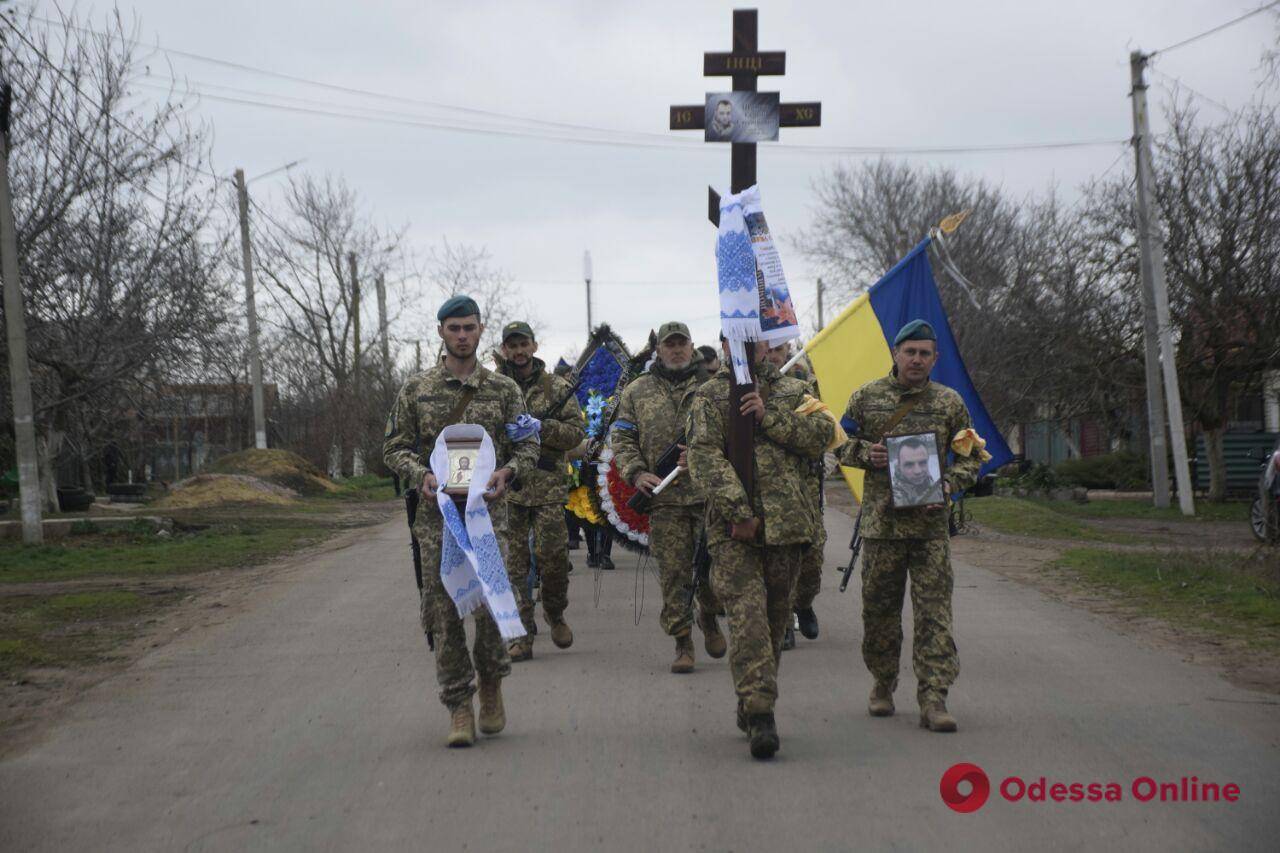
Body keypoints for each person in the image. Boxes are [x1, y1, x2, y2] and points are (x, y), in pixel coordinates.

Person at [383, 295, 540, 748]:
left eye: (470, 328)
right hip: (438, 524)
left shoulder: (504, 390)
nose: (462, 335)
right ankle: (457, 705)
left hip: (490, 520)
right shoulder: (417, 389)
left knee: (490, 607)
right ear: (441, 332)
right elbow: (393, 447)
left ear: (480, 330)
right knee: (446, 611)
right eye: (454, 328)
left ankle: (491, 686)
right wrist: (422, 475)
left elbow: (528, 444)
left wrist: (509, 471)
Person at [688, 336, 834, 759]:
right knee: (747, 617)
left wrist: (769, 418)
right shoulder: (711, 396)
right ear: (724, 344)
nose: (746, 348)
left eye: (753, 341)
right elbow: (703, 458)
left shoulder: (795, 390)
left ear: (766, 346)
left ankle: (750, 700)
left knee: (772, 623)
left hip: (788, 528)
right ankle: (761, 712)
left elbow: (823, 436)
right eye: (735, 340)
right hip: (735, 532)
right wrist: (738, 511)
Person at [836, 319, 983, 733]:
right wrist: (867, 453)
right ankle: (883, 682)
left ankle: (934, 697)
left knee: (934, 614)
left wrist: (950, 483)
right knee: (880, 612)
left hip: (930, 530)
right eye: (910, 352)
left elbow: (973, 456)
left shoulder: (950, 403)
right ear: (895, 355)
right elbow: (836, 443)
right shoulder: (866, 398)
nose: (916, 360)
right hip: (882, 527)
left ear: (935, 358)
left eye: (924, 353)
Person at [611, 321, 726, 672]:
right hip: (663, 499)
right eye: (669, 344)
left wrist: (704, 459)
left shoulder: (713, 388)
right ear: (658, 350)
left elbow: (732, 436)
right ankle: (682, 642)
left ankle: (708, 614)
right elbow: (623, 438)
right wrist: (635, 471)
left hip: (709, 495)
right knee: (674, 573)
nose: (676, 350)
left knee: (712, 572)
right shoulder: (637, 391)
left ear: (692, 347)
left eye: (682, 343)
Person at [496, 321, 585, 662]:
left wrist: (540, 427)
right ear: (505, 349)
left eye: (523, 344)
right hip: (507, 489)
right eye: (512, 346)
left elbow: (576, 434)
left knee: (553, 560)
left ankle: (555, 612)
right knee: (515, 565)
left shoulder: (556, 387)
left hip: (548, 488)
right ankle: (522, 634)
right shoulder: (496, 389)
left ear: (534, 346)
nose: (518, 351)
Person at [765, 342, 827, 646]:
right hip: (772, 487)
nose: (774, 356)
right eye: (769, 349)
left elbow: (820, 432)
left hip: (806, 483)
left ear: (788, 349)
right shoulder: (751, 388)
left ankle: (803, 603)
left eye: (779, 349)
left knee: (812, 558)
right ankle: (784, 621)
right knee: (780, 557)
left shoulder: (807, 386)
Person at [890, 436, 943, 507]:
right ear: (899, 466)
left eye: (922, 462)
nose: (918, 471)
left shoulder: (933, 482)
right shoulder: (895, 496)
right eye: (909, 465)